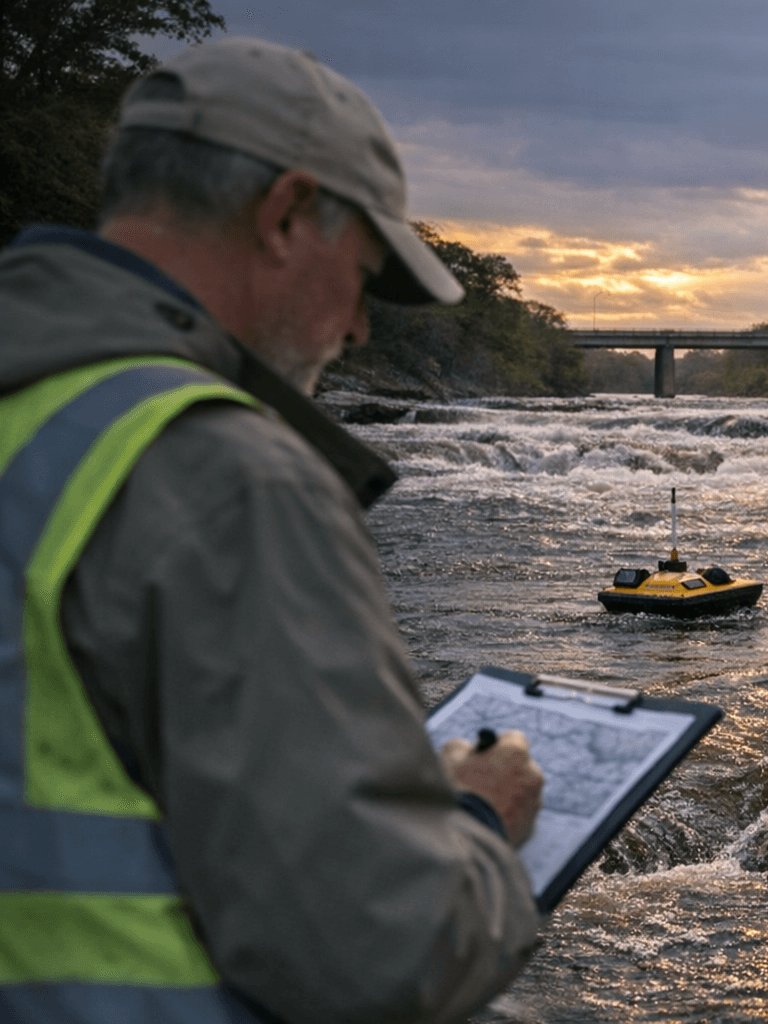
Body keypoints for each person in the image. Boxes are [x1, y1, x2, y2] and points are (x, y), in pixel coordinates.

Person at [0, 37, 546, 1023]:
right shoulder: (225, 472)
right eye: (367, 273)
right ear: (287, 213)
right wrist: (473, 820)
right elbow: (385, 954)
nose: (361, 329)